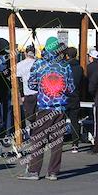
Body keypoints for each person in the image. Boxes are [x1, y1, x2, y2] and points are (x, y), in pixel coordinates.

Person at [18, 37, 74, 181]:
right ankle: (53, 172)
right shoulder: (65, 66)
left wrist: (44, 89)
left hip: (44, 106)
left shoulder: (39, 64)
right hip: (60, 108)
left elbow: (31, 84)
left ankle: (34, 171)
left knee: (38, 139)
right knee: (57, 140)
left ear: (46, 49)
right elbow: (71, 88)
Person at [65, 47, 83, 153]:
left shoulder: (64, 67)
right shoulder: (79, 68)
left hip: (65, 96)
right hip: (75, 96)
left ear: (67, 55)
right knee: (74, 121)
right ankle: (75, 144)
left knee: (61, 120)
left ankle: (57, 142)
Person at [16, 45, 37, 130]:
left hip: (27, 93)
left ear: (25, 53)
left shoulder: (19, 65)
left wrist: (21, 95)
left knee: (29, 116)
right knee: (38, 116)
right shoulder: (39, 63)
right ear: (34, 53)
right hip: (39, 93)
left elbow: (18, 81)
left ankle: (31, 133)